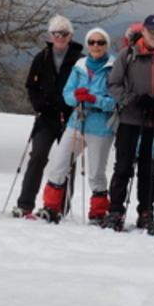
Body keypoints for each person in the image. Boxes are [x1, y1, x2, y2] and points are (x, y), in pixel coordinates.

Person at [104, 14, 154, 233]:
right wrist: (133, 100)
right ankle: (115, 211)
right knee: (123, 168)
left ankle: (146, 213)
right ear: (144, 31)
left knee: (149, 171)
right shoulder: (128, 54)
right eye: (153, 30)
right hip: (130, 120)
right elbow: (114, 85)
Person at [35, 28, 116, 224]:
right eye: (92, 42)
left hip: (100, 126)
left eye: (100, 42)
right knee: (58, 165)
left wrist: (94, 99)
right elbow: (67, 94)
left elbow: (115, 101)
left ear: (106, 45)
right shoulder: (79, 66)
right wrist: (75, 98)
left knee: (96, 173)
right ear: (87, 45)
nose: (96, 46)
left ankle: (98, 213)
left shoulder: (114, 68)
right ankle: (51, 207)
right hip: (77, 122)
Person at [14, 15, 84, 218]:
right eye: (56, 33)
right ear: (50, 36)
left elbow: (83, 87)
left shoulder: (80, 60)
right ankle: (25, 204)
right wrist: (38, 105)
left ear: (71, 36)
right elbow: (31, 86)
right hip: (45, 117)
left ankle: (59, 208)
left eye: (64, 33)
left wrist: (72, 104)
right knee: (37, 156)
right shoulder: (41, 57)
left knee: (67, 161)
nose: (60, 37)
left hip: (70, 118)